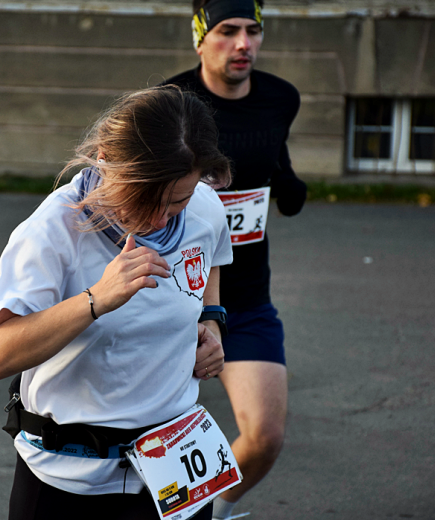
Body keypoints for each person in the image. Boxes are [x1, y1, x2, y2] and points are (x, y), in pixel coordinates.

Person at [0, 85, 235, 520]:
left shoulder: (205, 207)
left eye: (177, 201)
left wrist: (212, 323)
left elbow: (212, 260)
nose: (161, 218)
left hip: (176, 472)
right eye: (147, 199)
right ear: (107, 162)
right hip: (68, 480)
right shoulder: (52, 230)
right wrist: (96, 299)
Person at [163, 1, 308, 519]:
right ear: (201, 38)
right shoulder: (170, 103)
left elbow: (274, 156)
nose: (243, 43)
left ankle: (209, 512)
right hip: (175, 299)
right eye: (227, 31)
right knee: (150, 438)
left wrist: (288, 185)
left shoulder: (280, 98)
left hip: (246, 301)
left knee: (264, 436)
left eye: (253, 31)